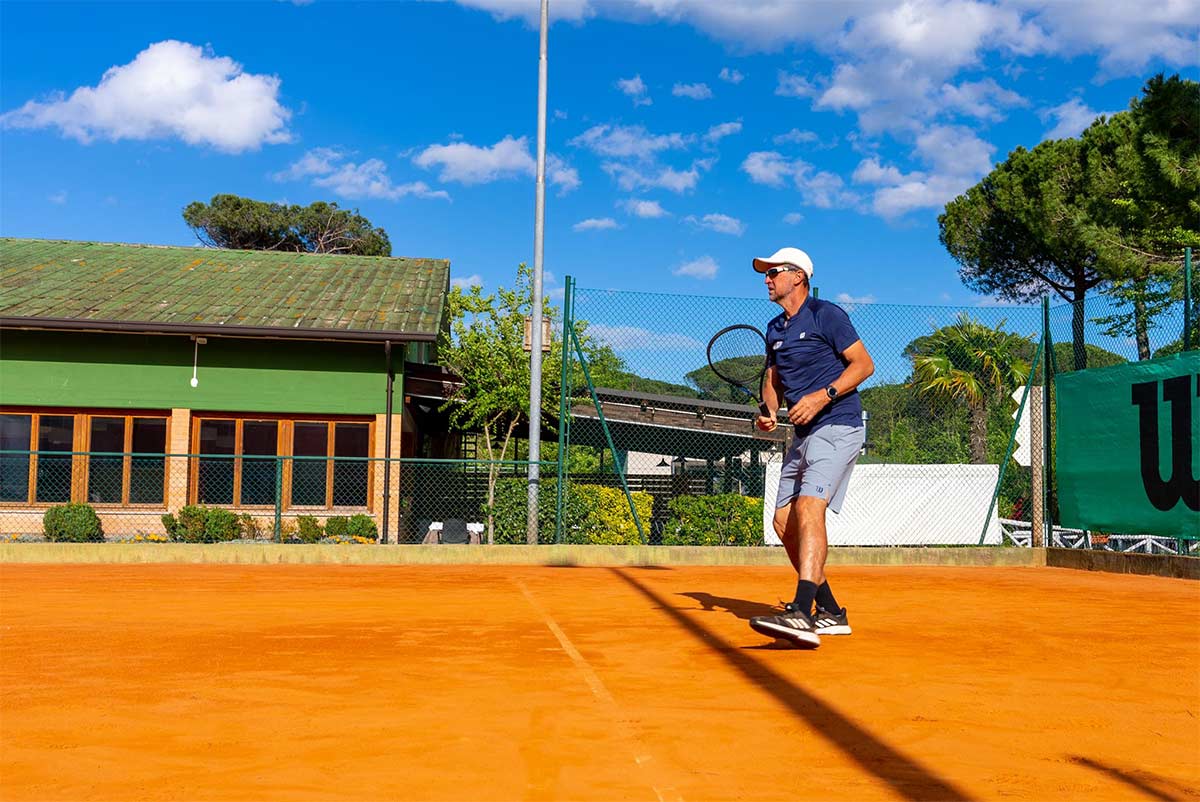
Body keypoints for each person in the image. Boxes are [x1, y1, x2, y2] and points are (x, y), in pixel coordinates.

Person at [747, 247, 874, 649]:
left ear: (798, 276)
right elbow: (774, 378)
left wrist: (823, 395)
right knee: (784, 524)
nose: (766, 279)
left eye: (773, 272)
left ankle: (801, 612)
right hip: (801, 435)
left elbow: (863, 365)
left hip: (838, 424)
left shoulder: (826, 314)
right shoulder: (774, 329)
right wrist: (768, 410)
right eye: (765, 274)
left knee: (807, 507)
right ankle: (832, 612)